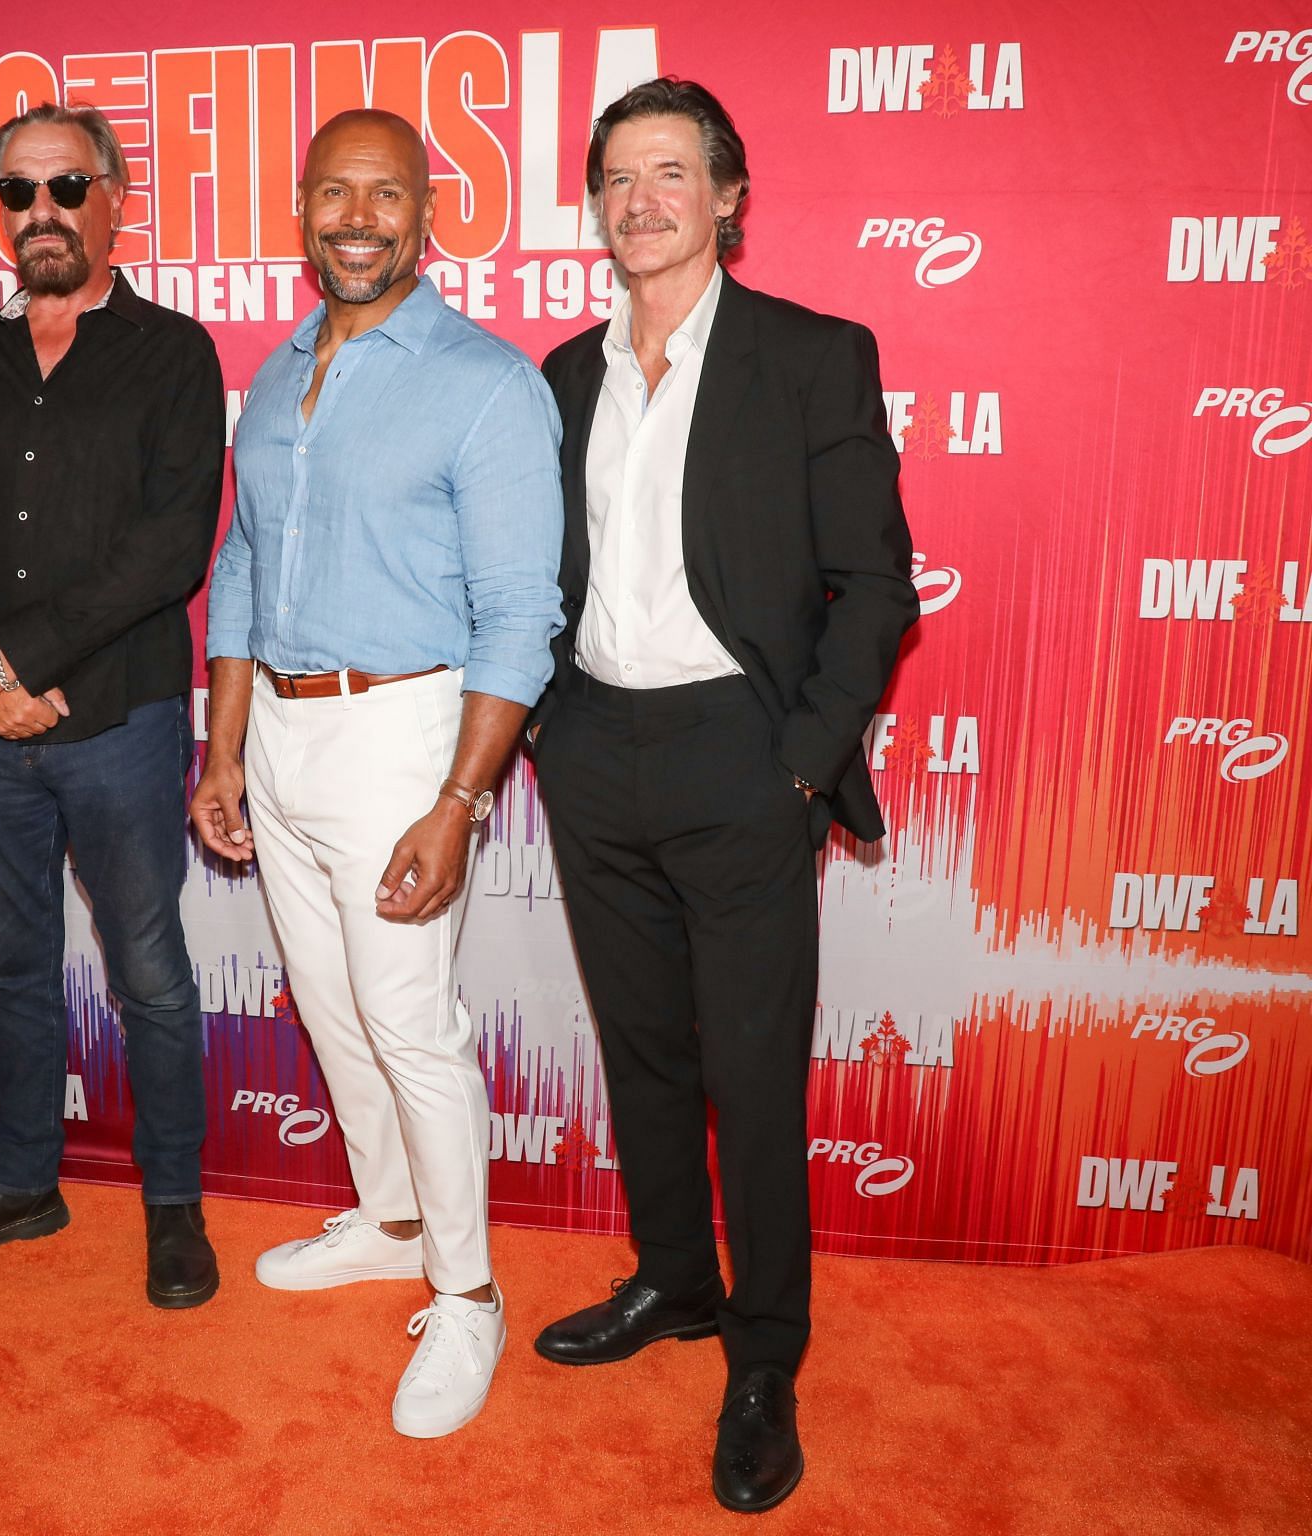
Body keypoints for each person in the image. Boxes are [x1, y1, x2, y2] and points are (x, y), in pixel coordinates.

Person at [525, 78, 918, 1511]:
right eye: (618, 177)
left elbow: (875, 583)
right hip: (593, 751)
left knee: (751, 1075)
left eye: (671, 172)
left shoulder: (812, 357)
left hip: (743, 756)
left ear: (730, 196)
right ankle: (676, 1286)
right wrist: (547, 735)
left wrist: (802, 761)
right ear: (596, 203)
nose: (642, 200)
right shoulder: (563, 375)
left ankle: (765, 1356)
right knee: (645, 1054)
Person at [191, 109, 564, 1438]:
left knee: (410, 1020)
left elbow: (522, 614)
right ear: (301, 210)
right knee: (336, 1009)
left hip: (407, 736)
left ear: (427, 214)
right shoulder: (284, 364)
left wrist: (457, 802)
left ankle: (468, 1294)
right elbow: (240, 565)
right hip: (280, 737)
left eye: (387, 194)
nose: (359, 217)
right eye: (335, 194)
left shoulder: (485, 381)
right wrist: (224, 743)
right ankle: (395, 1220)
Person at [0, 103, 226, 1308]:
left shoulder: (175, 353)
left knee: (149, 971)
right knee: (13, 967)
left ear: (117, 198)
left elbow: (169, 549)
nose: (41, 212)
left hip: (119, 723)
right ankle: (23, 1181)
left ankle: (175, 1205)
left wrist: (18, 660)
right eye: (15, 192)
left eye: (67, 187)